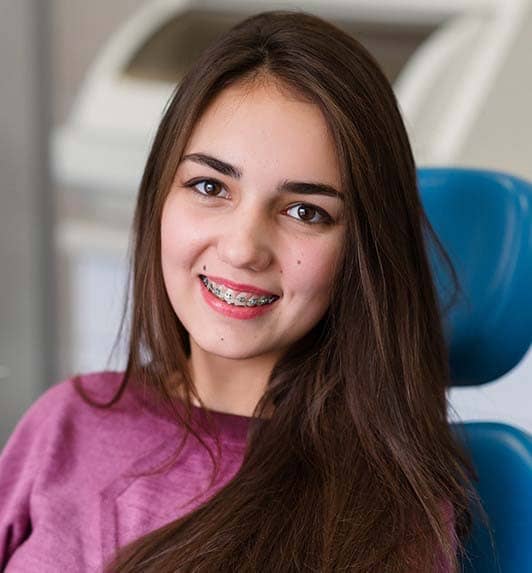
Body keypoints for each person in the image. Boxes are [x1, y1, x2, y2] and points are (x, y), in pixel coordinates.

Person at [0, 10, 483, 572]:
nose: (243, 247)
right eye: (210, 186)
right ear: (161, 195)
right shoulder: (66, 421)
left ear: (362, 251)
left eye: (305, 211)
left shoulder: (387, 514)